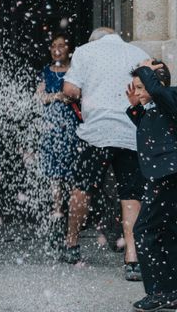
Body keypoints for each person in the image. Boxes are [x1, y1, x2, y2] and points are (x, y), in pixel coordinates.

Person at [61, 27, 149, 281]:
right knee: (131, 195)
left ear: (94, 39)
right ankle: (132, 259)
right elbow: (148, 92)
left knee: (83, 188)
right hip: (129, 133)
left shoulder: (86, 51)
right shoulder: (138, 53)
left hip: (96, 133)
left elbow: (70, 90)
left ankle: (72, 244)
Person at [126, 60, 177, 312]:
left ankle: (159, 292)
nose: (138, 93)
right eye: (135, 88)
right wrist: (135, 108)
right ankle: (171, 291)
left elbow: (157, 91)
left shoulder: (171, 95)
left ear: (157, 83)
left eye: (141, 87)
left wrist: (144, 67)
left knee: (144, 230)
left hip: (167, 176)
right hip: (164, 176)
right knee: (167, 233)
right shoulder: (159, 107)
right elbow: (153, 133)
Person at [35, 33, 81, 248]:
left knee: (71, 170)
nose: (56, 49)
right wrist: (57, 97)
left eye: (60, 45)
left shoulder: (75, 70)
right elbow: (40, 97)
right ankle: (57, 212)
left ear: (68, 48)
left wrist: (68, 97)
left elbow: (80, 94)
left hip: (71, 127)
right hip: (50, 129)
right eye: (53, 46)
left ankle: (73, 213)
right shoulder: (46, 71)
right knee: (54, 172)